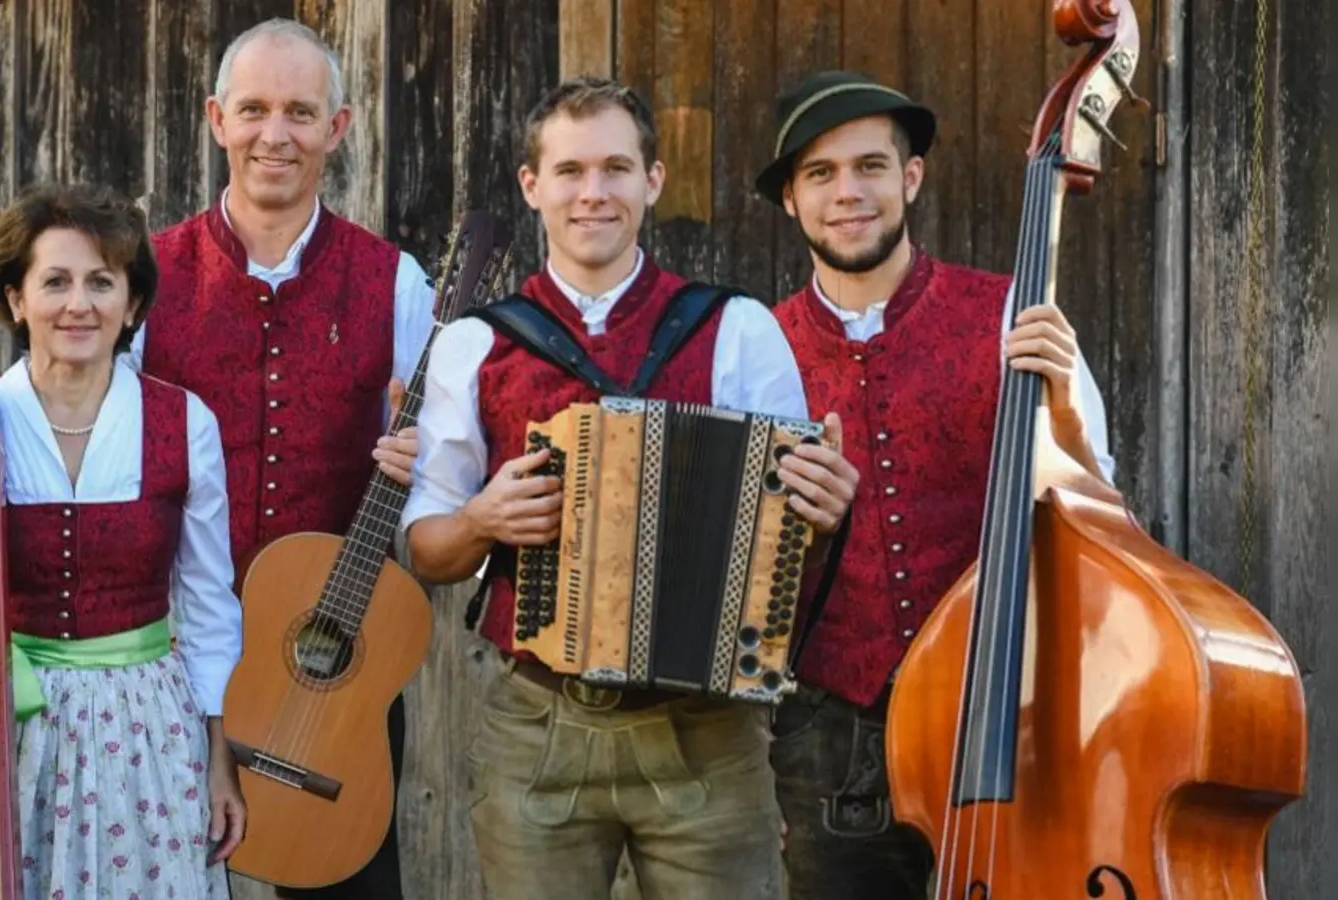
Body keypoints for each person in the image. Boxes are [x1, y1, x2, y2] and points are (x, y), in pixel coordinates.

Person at [401, 76, 861, 900]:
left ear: (652, 181)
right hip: (536, 727)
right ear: (532, 185)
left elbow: (793, 534)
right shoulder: (477, 344)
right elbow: (426, 547)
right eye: (571, 171)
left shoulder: (736, 327)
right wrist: (480, 519)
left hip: (707, 734)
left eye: (616, 168)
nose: (593, 192)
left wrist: (824, 510)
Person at [752, 70, 1118, 898]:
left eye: (872, 166)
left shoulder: (1013, 316)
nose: (849, 192)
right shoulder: (754, 349)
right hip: (828, 743)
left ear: (910, 177)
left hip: (1009, 720)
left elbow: (1104, 523)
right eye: (821, 174)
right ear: (791, 202)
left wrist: (1061, 414)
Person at [123, 18, 436, 900]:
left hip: (334, 664)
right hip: (173, 662)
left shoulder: (396, 283)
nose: (276, 134)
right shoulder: (146, 279)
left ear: (336, 130)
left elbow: (442, 467)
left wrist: (426, 465)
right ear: (218, 119)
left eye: (301, 112)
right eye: (255, 110)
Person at [0, 182, 246, 898]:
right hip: (10, 727)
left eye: (102, 282)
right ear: (15, 299)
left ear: (131, 304)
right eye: (56, 281)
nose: (79, 304)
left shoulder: (183, 423)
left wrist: (218, 753)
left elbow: (206, 602)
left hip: (147, 730)